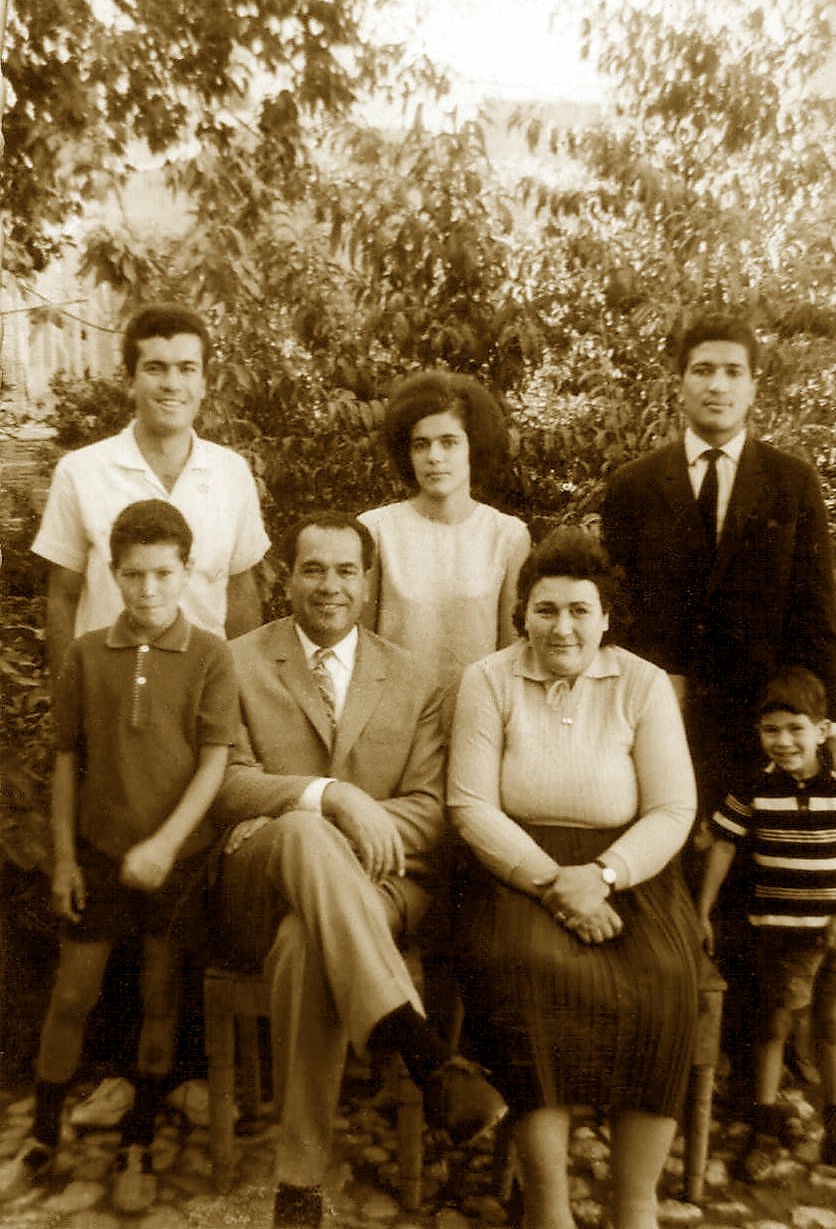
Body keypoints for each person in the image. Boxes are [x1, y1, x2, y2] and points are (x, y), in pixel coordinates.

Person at [210, 511, 506, 1228]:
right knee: (304, 831)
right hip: (260, 872)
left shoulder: (417, 678)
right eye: (314, 568)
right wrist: (335, 799)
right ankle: (420, 1045)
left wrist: (344, 825)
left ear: (368, 582)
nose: (330, 585)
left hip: (381, 887)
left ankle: (299, 1185)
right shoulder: (237, 661)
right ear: (287, 578)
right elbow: (227, 784)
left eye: (346, 570)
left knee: (307, 940)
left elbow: (432, 811)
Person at [448, 526, 701, 1229]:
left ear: (606, 616)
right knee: (526, 969)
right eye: (546, 609)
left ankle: (633, 1205)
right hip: (515, 872)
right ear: (522, 612)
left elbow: (674, 806)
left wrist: (605, 873)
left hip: (629, 875)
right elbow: (469, 805)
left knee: (666, 979)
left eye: (579, 610)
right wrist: (554, 882)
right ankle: (549, 1210)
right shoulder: (487, 680)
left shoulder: (643, 685)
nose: (562, 628)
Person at [0, 500, 240, 1212]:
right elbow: (69, 758)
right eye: (133, 575)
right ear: (114, 572)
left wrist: (167, 844)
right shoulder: (86, 653)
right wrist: (67, 857)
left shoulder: (210, 654)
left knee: (160, 996)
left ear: (185, 572)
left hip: (180, 856)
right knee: (73, 994)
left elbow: (215, 761)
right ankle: (43, 1135)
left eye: (163, 574)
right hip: (102, 855)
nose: (148, 591)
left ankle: (138, 1140)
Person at [601, 311, 836, 832]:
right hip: (656, 722)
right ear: (678, 385)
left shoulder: (791, 483)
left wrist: (833, 727)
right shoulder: (634, 485)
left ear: (752, 388)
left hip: (763, 725)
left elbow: (817, 618)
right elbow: (618, 615)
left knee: (753, 883)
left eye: (732, 371)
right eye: (702, 370)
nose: (717, 385)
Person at [697, 667, 836, 1189]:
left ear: (822, 730)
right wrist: (703, 910)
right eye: (771, 730)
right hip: (779, 936)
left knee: (828, 1027)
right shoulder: (754, 787)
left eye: (796, 728)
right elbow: (724, 847)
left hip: (832, 938)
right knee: (773, 1027)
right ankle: (765, 1125)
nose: (783, 741)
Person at [32, 302, 269, 676]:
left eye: (187, 369)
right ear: (131, 380)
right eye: (155, 368)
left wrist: (243, 699)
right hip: (109, 695)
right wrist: (69, 703)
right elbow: (62, 597)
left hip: (203, 698)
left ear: (204, 382)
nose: (172, 384)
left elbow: (241, 595)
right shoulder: (80, 472)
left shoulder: (232, 473)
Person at [359, 369, 530, 719]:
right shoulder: (376, 530)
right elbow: (359, 647)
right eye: (421, 444)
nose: (434, 456)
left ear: (474, 445)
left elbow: (511, 653)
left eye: (449, 442)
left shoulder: (508, 535)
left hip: (477, 718)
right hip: (391, 721)